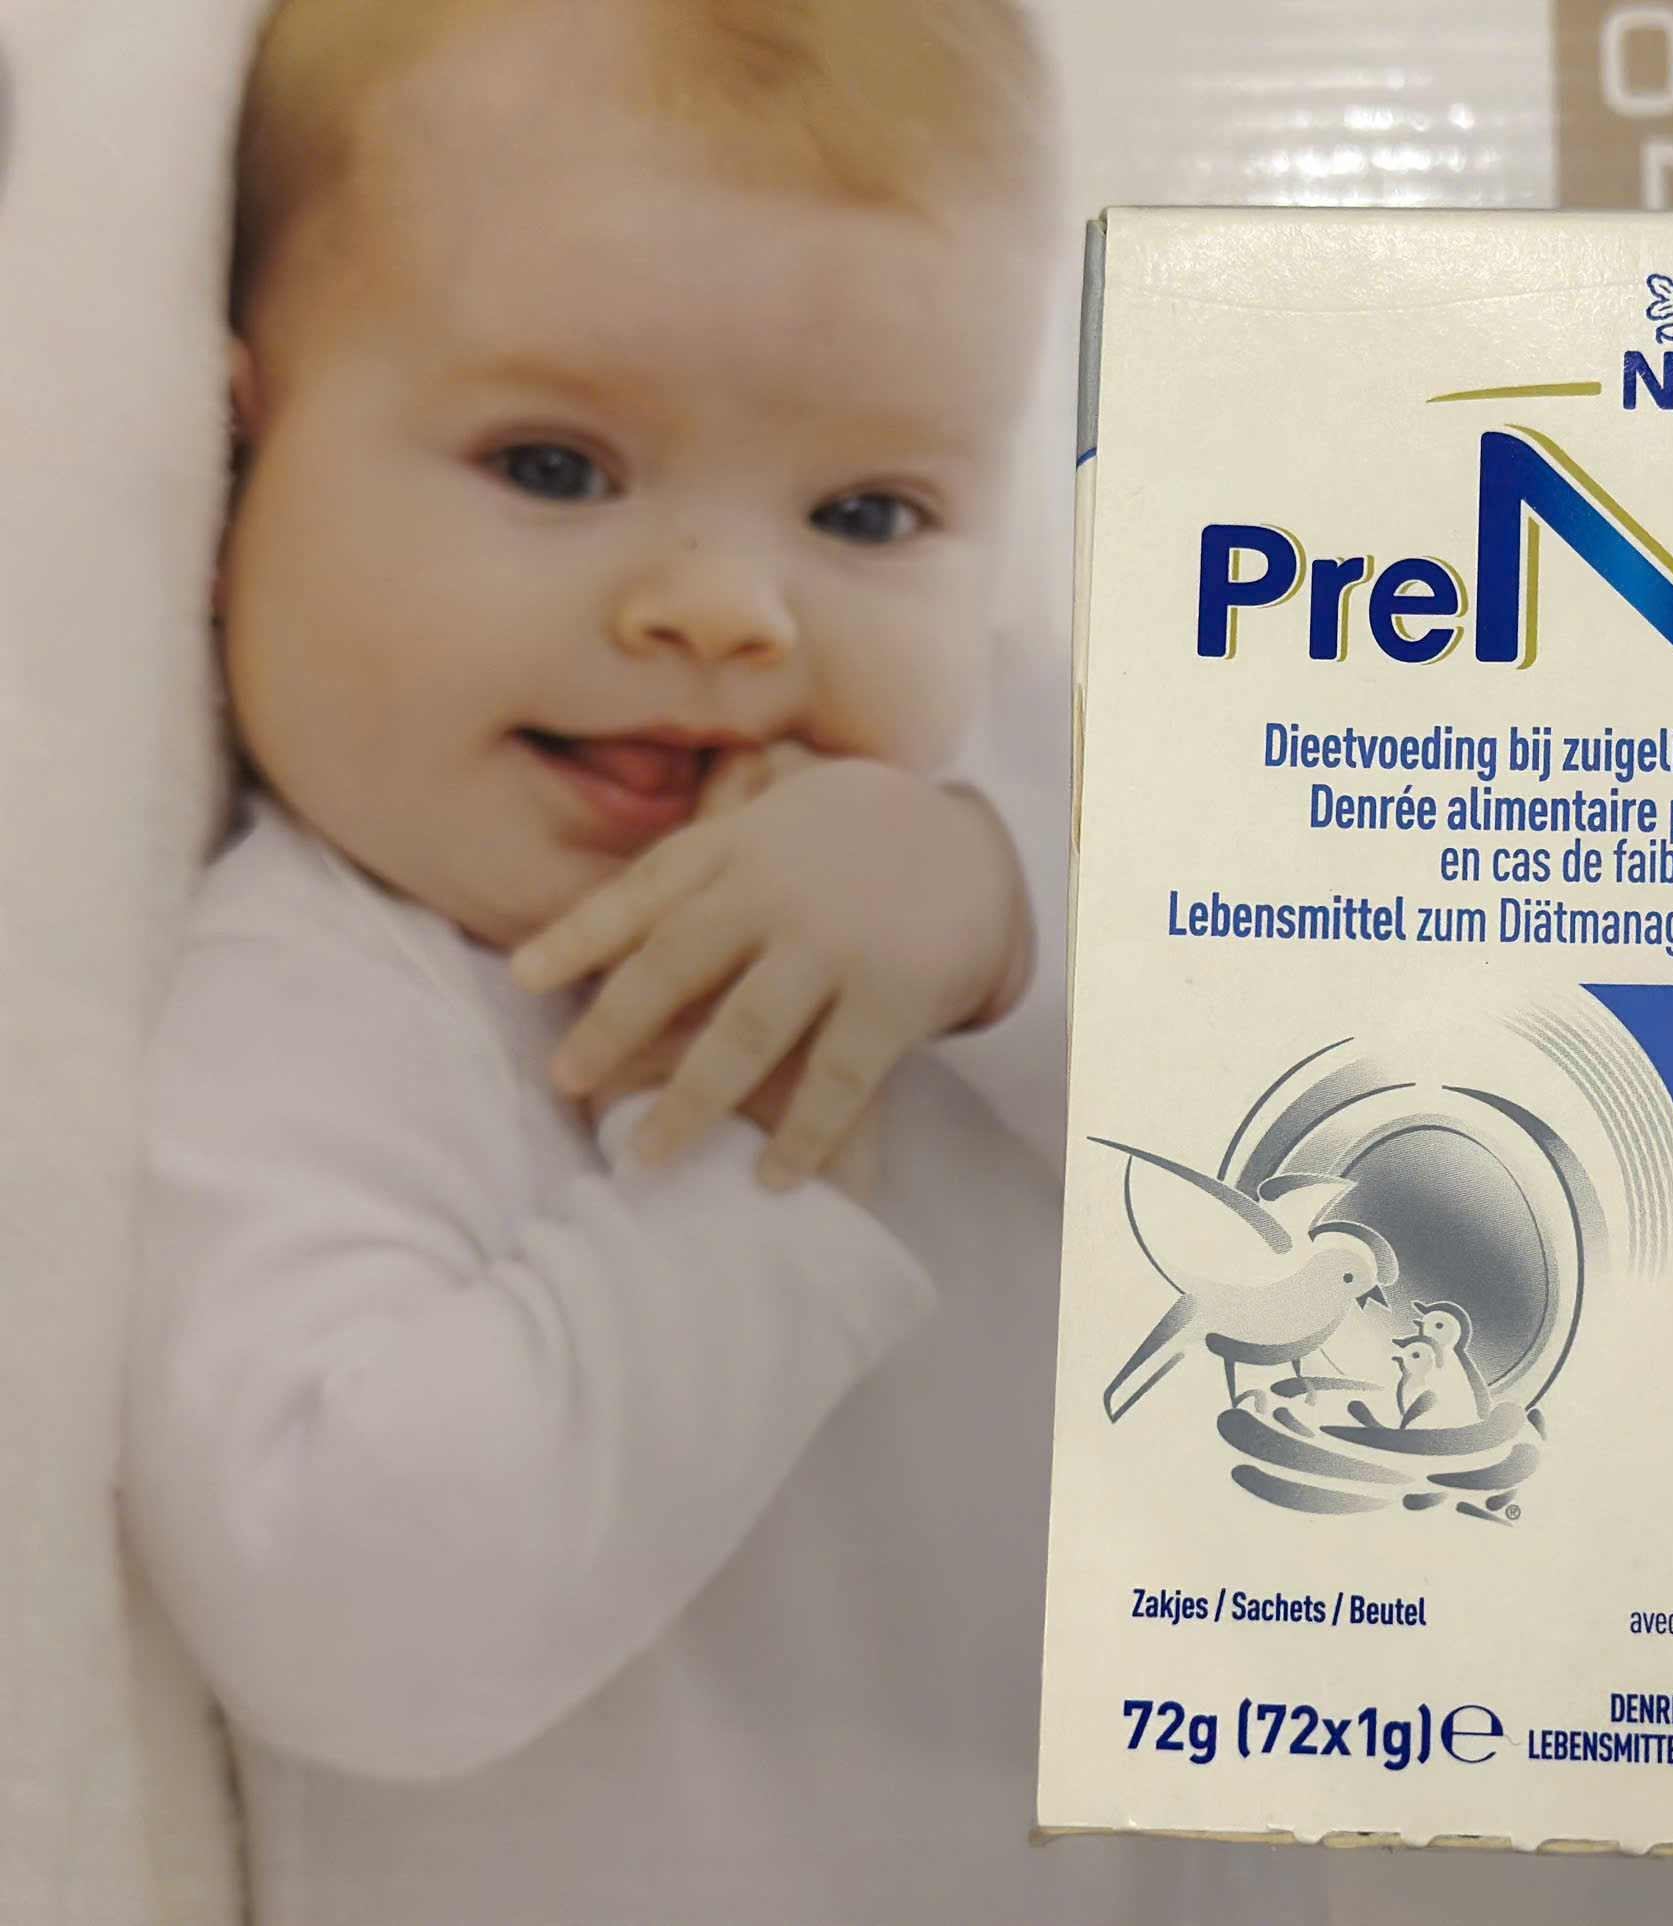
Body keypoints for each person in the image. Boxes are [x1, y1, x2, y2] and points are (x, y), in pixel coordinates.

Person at [123, 1, 1313, 1918]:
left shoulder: (1003, 799)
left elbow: (1373, 1127)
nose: (726, 609)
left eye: (867, 514)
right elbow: (353, 1618)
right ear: (232, 456)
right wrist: (753, 1151)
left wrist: (999, 917)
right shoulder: (319, 1002)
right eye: (554, 465)